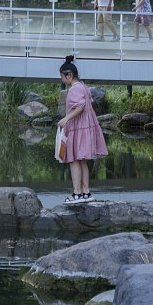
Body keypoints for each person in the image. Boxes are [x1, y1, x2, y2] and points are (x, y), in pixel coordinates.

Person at [56, 55, 108, 203]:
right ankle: (86, 193)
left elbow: (81, 106)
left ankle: (77, 193)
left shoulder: (74, 89)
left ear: (69, 75)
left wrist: (66, 118)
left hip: (78, 128)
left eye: (62, 77)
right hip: (85, 128)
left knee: (73, 160)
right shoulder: (83, 87)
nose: (62, 80)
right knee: (82, 161)